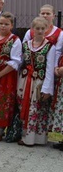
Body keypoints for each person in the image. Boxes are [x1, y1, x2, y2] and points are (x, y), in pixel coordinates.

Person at [17, 16, 56, 146]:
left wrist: (47, 88)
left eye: (42, 28)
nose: (39, 31)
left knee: (36, 109)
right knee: (24, 106)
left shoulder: (50, 47)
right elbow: (20, 62)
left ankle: (35, 138)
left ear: (47, 29)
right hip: (24, 80)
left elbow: (50, 68)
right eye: (37, 28)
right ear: (32, 29)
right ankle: (24, 135)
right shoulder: (25, 45)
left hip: (39, 82)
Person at [0, 12, 21, 141]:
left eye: (6, 24)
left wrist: (0, 73)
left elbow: (15, 61)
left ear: (11, 25)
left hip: (6, 76)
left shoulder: (15, 40)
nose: (3, 26)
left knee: (3, 101)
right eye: (1, 23)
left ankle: (0, 130)